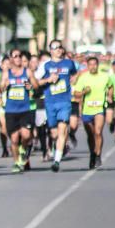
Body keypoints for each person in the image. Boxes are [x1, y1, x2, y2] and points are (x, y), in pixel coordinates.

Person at [36, 40, 78, 172]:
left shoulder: (69, 63)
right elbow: (36, 82)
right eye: (55, 47)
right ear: (50, 50)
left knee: (62, 129)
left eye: (60, 47)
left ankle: (56, 161)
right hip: (50, 102)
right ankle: (60, 145)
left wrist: (75, 78)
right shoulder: (45, 65)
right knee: (54, 134)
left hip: (65, 101)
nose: (59, 49)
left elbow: (75, 73)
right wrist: (48, 80)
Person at [1, 49, 36, 173]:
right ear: (11, 58)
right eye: (15, 56)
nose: (18, 58)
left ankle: (23, 150)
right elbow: (0, 89)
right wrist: (4, 85)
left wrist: (30, 87)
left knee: (26, 135)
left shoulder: (27, 72)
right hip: (11, 110)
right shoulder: (7, 73)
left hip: (25, 109)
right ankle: (17, 163)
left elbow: (36, 86)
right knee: (14, 139)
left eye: (20, 56)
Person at [73, 56, 111, 169]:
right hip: (87, 110)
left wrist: (109, 96)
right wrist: (84, 91)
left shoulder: (104, 76)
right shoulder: (83, 78)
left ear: (97, 65)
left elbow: (111, 86)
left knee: (98, 132)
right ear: (87, 66)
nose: (93, 67)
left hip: (99, 108)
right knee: (90, 134)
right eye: (90, 65)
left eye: (95, 64)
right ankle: (92, 154)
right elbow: (76, 94)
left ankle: (98, 154)